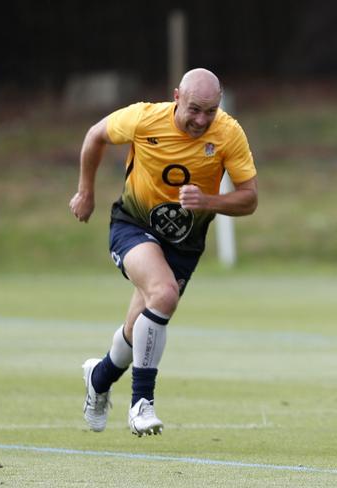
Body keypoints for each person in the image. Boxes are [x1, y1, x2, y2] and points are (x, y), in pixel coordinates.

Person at [69, 68, 258, 437]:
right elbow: (95, 136)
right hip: (133, 225)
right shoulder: (143, 118)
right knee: (164, 294)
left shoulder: (229, 132)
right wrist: (85, 192)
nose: (202, 120)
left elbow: (250, 199)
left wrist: (210, 200)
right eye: (194, 109)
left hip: (185, 243)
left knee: (138, 325)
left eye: (211, 111)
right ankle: (142, 404)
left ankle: (100, 376)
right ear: (176, 97)